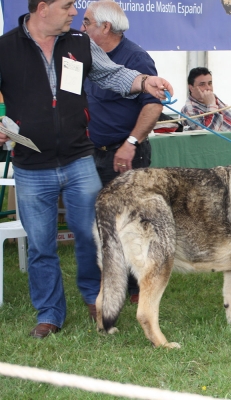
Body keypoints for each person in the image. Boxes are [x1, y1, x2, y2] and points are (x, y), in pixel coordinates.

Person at [0, 0, 173, 339]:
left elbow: (112, 73)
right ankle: (49, 313)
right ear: (43, 8)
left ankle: (98, 298)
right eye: (66, 6)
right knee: (40, 245)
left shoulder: (79, 42)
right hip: (31, 165)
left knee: (93, 236)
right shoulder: (6, 47)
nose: (72, 13)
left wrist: (143, 82)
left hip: (80, 160)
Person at [82, 0, 163, 304]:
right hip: (93, 152)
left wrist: (130, 143)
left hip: (127, 153)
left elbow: (153, 104)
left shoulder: (135, 57)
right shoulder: (88, 56)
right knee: (104, 221)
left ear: (104, 27)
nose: (82, 28)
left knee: (132, 223)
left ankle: (137, 286)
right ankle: (112, 281)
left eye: (87, 22)